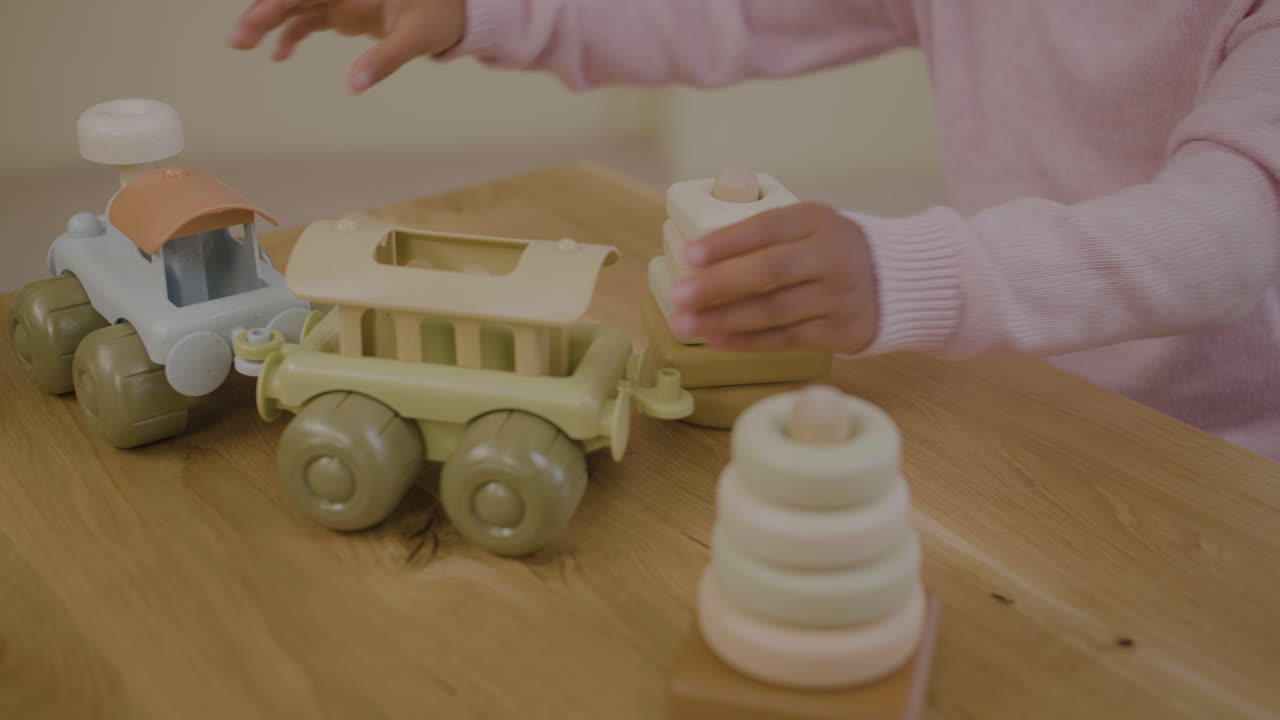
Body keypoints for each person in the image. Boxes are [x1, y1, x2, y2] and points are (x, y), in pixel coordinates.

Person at [229, 1, 1280, 460]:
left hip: (1228, 458)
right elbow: (727, 10)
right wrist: (488, 9)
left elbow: (1223, 232)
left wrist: (906, 269)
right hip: (1011, 386)